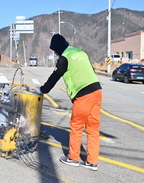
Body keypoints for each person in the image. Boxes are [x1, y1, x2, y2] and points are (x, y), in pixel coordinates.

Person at [34, 34, 102, 171]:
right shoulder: (80, 52)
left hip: (83, 95)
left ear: (58, 48)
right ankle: (92, 162)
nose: (55, 53)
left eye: (55, 50)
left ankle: (73, 158)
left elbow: (54, 77)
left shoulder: (64, 58)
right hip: (97, 91)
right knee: (93, 128)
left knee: (76, 126)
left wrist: (42, 89)